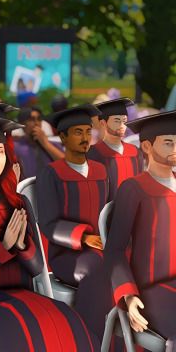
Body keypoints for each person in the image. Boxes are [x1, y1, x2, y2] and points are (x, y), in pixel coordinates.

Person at [0, 118, 96, 351]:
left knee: (68, 321)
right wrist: (1, 246)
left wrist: (22, 245)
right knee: (20, 336)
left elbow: (36, 268)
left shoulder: (19, 203)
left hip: (22, 294)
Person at [36, 104, 112, 344]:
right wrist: (84, 237)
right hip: (67, 255)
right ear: (62, 137)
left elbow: (111, 211)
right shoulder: (51, 173)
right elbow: (48, 223)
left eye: (88, 132)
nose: (85, 138)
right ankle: (88, 340)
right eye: (78, 132)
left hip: (101, 248)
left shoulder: (101, 170)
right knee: (96, 268)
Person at [104, 110, 176, 346]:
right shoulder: (134, 189)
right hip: (150, 290)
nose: (175, 148)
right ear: (146, 147)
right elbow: (115, 250)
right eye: (168, 143)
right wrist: (129, 294)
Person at [87, 98, 144, 201]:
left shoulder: (135, 152)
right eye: (117, 121)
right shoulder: (93, 153)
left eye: (124, 121)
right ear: (103, 123)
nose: (122, 126)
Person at [14, 106, 65, 179]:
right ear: (22, 124)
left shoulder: (53, 145)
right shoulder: (16, 147)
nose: (36, 123)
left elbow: (67, 167)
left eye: (39, 119)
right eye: (31, 119)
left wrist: (46, 144)